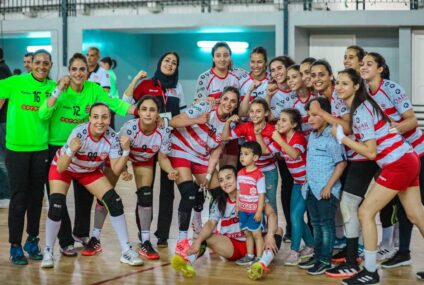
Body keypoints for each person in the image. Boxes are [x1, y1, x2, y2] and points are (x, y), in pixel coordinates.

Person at [330, 68, 424, 285]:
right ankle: (370, 270)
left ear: (356, 86)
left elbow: (371, 152)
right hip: (406, 159)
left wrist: (342, 138)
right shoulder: (361, 107)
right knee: (416, 216)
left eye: (345, 83)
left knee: (365, 211)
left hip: (399, 163)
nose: (339, 87)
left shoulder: (361, 111)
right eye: (338, 83)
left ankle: (370, 271)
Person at [38, 52, 135, 257]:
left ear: (88, 71)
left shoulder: (94, 89)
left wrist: (139, 112)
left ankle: (81, 234)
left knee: (85, 199)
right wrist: (57, 90)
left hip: (88, 148)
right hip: (60, 147)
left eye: (82, 69)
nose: (78, 73)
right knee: (58, 201)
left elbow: (115, 104)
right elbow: (43, 113)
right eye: (74, 69)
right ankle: (64, 242)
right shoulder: (60, 89)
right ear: (69, 71)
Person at [41, 103, 143, 268]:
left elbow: (116, 170)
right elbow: (60, 167)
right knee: (56, 205)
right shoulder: (79, 133)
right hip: (65, 167)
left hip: (88, 170)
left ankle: (126, 250)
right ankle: (48, 251)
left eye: (104, 117)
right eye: (95, 117)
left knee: (114, 201)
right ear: (89, 118)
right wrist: (70, 151)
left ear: (110, 119)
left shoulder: (112, 137)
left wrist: (125, 151)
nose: (100, 121)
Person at [84, 96, 178, 260]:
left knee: (145, 196)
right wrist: (124, 170)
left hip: (144, 160)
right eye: (144, 109)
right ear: (139, 112)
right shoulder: (129, 128)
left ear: (158, 115)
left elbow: (162, 159)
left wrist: (170, 170)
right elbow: (119, 151)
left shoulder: (163, 132)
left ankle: (146, 242)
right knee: (104, 198)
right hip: (121, 157)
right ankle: (95, 237)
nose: (148, 113)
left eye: (152, 110)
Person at [360, 52, 424, 272]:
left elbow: (412, 121)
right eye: (362, 64)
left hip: (415, 152)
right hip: (396, 156)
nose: (363, 67)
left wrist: (386, 132)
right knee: (412, 212)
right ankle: (403, 252)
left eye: (369, 64)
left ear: (380, 68)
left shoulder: (391, 88)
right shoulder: (365, 92)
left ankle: (373, 268)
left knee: (415, 213)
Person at [171, 165, 283, 280]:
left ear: (238, 179)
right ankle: (188, 261)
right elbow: (210, 223)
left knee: (278, 230)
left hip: (256, 243)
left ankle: (261, 264)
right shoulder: (220, 201)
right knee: (205, 236)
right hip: (232, 246)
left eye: (229, 178)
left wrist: (269, 235)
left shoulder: (252, 196)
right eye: (221, 180)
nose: (225, 183)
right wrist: (197, 242)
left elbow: (271, 214)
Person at [123, 52, 186, 248]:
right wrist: (135, 79)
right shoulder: (145, 84)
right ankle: (144, 235)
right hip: (145, 142)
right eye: (167, 60)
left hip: (168, 142)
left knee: (168, 190)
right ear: (159, 63)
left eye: (174, 62)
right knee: (145, 193)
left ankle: (163, 235)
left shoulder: (178, 87)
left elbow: (181, 115)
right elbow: (125, 102)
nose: (170, 64)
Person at [0, 49, 56, 265]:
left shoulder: (53, 89)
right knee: (19, 199)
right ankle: (15, 246)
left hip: (41, 149)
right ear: (31, 64)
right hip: (17, 150)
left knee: (36, 199)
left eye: (46, 63)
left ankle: (32, 241)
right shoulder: (15, 82)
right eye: (38, 62)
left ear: (50, 65)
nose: (41, 66)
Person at [169, 87, 240, 245]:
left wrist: (208, 176)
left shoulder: (231, 125)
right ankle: (182, 240)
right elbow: (174, 121)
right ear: (220, 99)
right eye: (226, 99)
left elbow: (217, 151)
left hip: (201, 157)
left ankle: (213, 230)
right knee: (188, 194)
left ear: (236, 106)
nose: (228, 103)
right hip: (181, 150)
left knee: (219, 193)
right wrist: (198, 120)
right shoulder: (206, 107)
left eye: (233, 101)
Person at [298, 97, 347, 275]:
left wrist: (328, 187)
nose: (310, 119)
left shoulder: (332, 135)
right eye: (309, 115)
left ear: (326, 115)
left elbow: (341, 163)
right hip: (311, 188)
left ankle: (325, 259)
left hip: (327, 191)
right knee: (316, 224)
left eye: (315, 115)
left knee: (326, 226)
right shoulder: (312, 134)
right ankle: (318, 256)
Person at [261, 108, 314, 265]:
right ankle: (311, 245)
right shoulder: (282, 138)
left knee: (296, 216)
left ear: (294, 124)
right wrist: (258, 133)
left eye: (284, 120)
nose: (279, 123)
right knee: (294, 216)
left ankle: (294, 251)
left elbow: (294, 154)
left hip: (308, 182)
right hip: (298, 183)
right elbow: (264, 151)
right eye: (279, 120)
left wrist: (278, 139)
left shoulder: (298, 138)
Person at [223, 98, 278, 216]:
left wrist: (258, 135)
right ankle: (258, 231)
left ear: (266, 113)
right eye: (251, 111)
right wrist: (228, 122)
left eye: (258, 111)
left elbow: (265, 152)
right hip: (251, 172)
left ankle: (271, 233)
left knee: (270, 204)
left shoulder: (272, 130)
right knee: (252, 203)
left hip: (268, 171)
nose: (254, 114)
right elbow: (225, 138)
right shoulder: (246, 126)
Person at [265, 55, 297, 243]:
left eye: (280, 68)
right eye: (273, 70)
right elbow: (266, 115)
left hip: (301, 147)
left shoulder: (297, 88)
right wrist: (268, 95)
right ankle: (292, 229)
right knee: (287, 186)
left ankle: (309, 228)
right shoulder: (272, 92)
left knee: (304, 188)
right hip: (281, 148)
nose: (277, 73)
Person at [233, 141, 266, 265]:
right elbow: (239, 191)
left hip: (254, 211)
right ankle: (250, 255)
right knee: (247, 233)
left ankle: (259, 258)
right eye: (241, 153)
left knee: (257, 234)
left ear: (255, 157)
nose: (242, 157)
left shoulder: (259, 175)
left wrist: (259, 211)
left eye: (246, 154)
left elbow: (261, 194)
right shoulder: (240, 173)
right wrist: (237, 207)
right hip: (243, 210)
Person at [287, 65, 317, 138]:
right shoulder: (289, 101)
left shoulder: (316, 95)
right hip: (300, 142)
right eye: (288, 78)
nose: (290, 81)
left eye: (294, 77)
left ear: (302, 77)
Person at [0, 47, 12, 209]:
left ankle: (7, 194)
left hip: (2, 122)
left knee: (2, 159)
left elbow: (1, 97)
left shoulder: (2, 70)